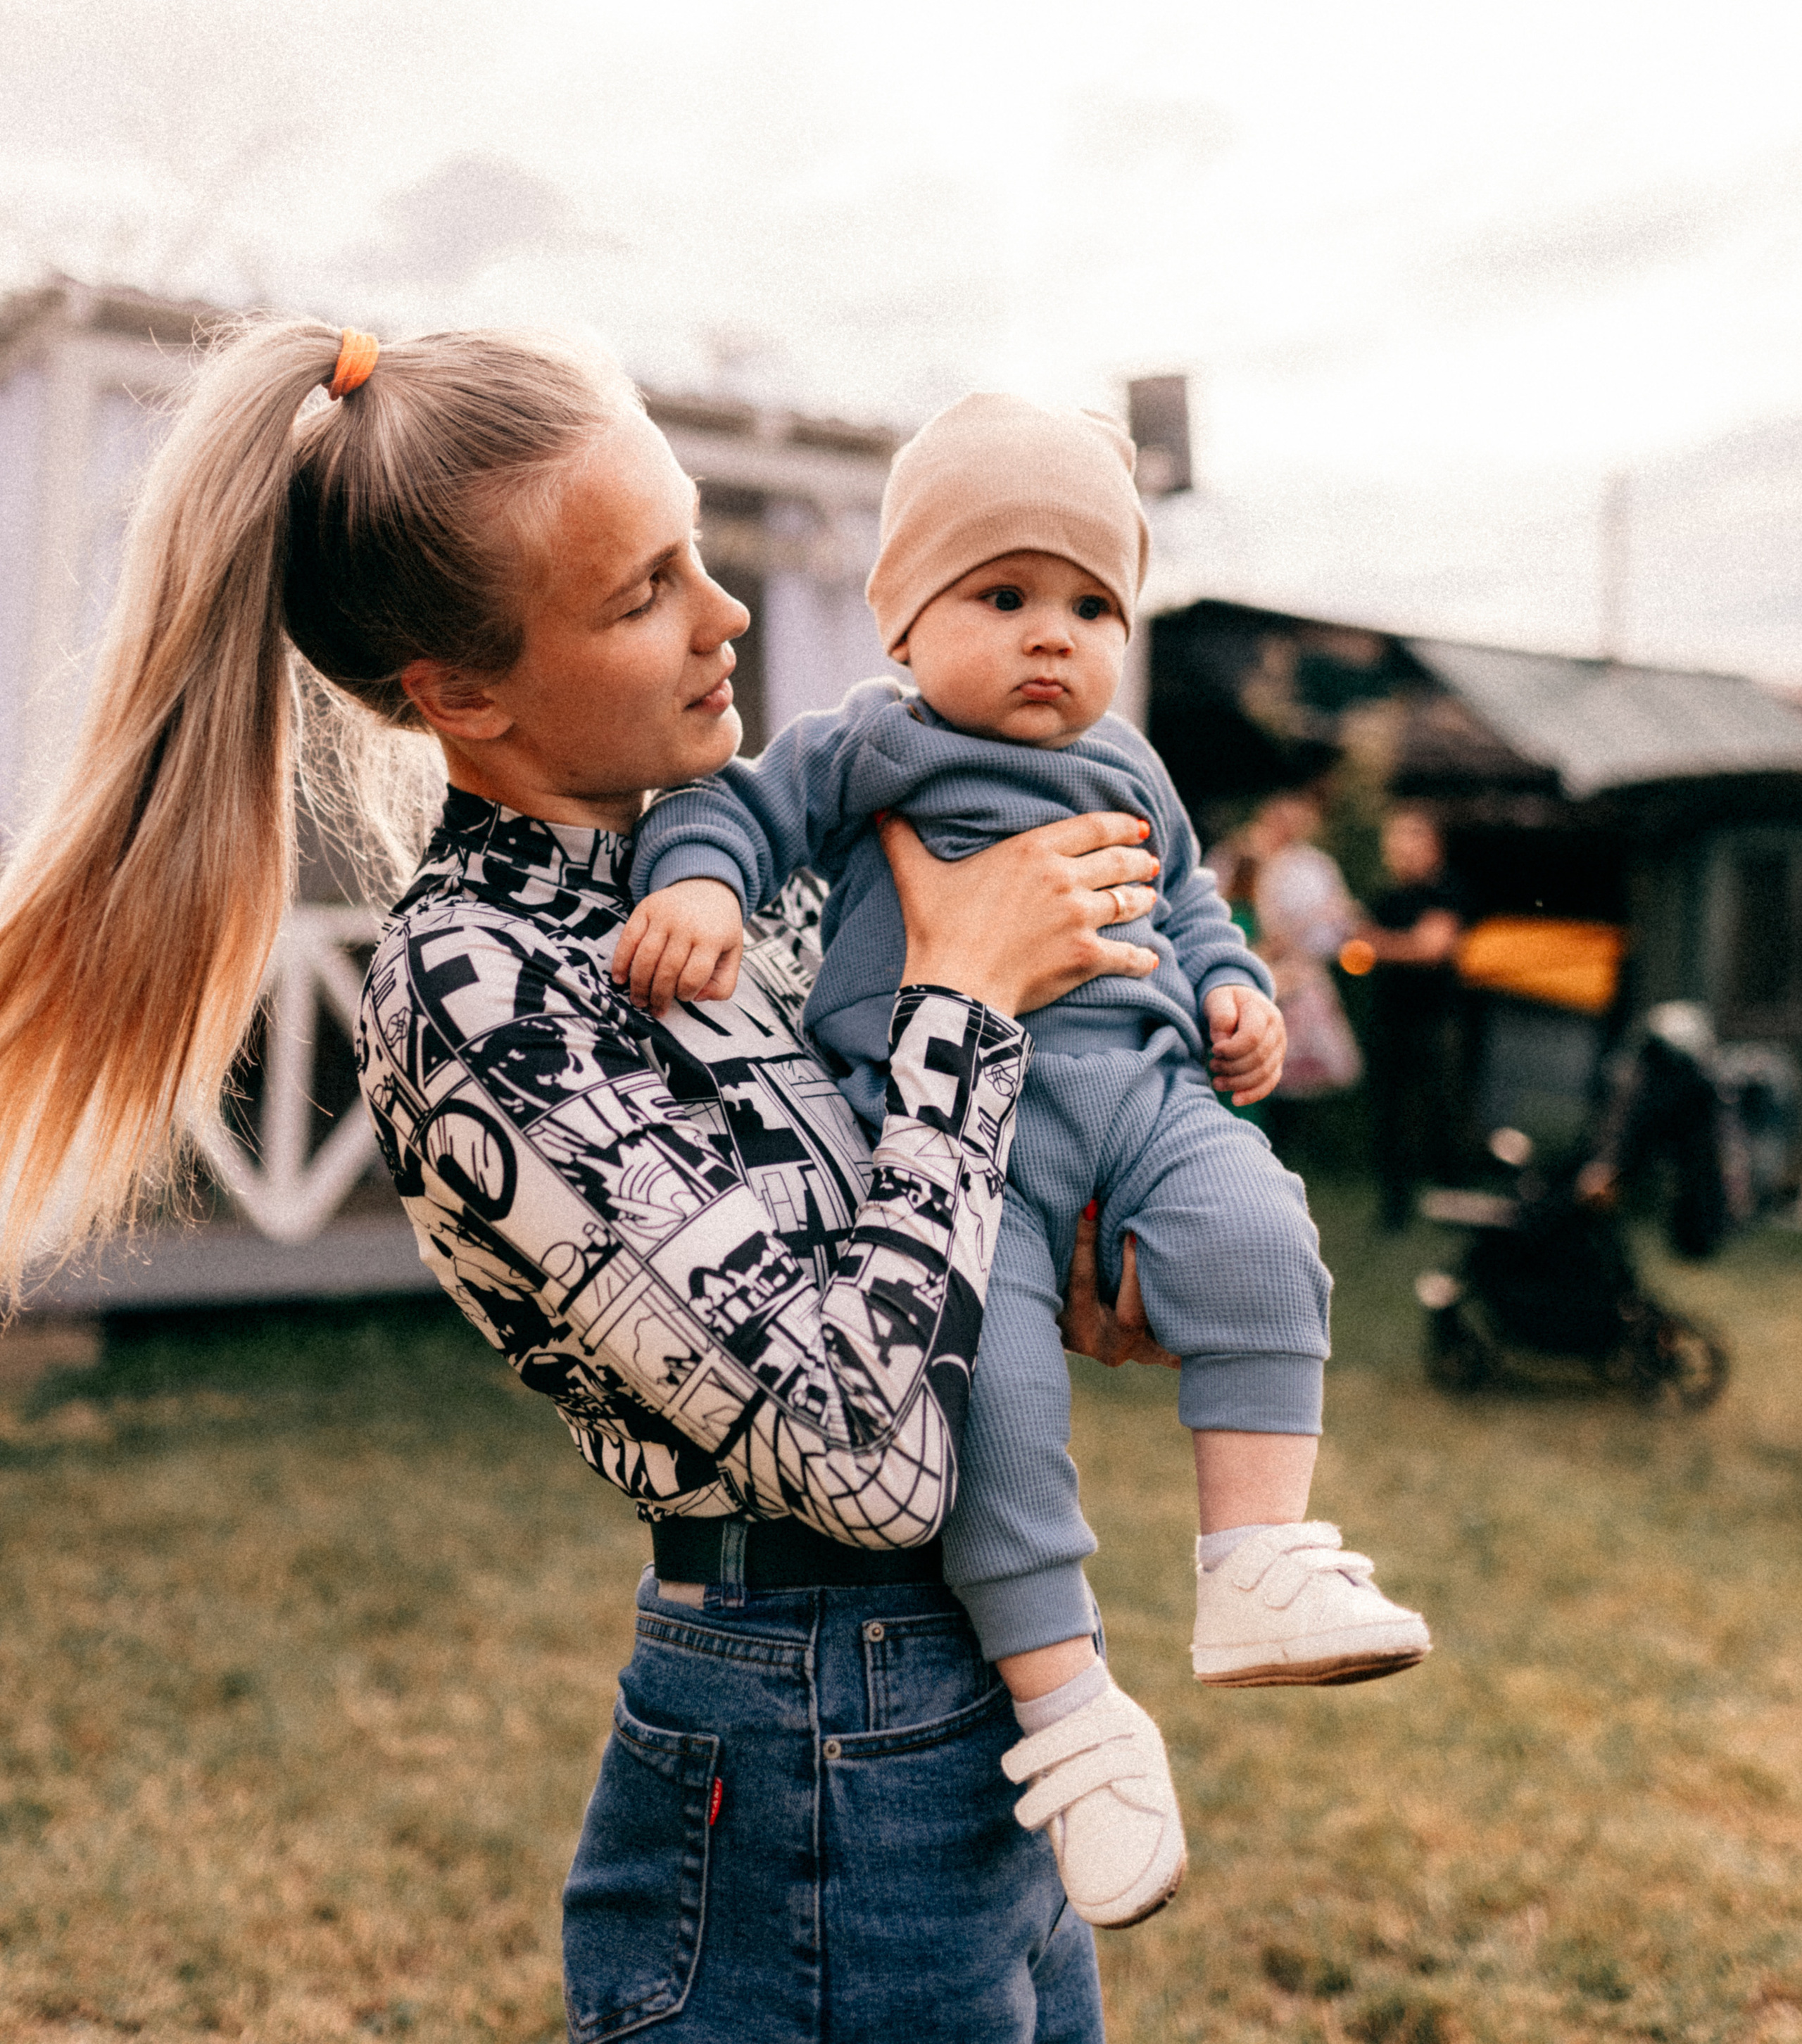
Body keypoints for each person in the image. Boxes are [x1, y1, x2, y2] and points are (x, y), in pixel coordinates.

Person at [0, 321, 1188, 2043]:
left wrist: (1083, 1269)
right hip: (807, 1747)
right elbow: (854, 1459)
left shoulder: (731, 874)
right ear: (460, 694)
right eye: (641, 591)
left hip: (973, 1698)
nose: (721, 614)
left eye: (697, 545)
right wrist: (961, 1000)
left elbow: (896, 1273)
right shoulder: (476, 986)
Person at [622, 393, 1431, 1917]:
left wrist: (1233, 991)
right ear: (905, 622)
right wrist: (709, 896)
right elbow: (728, 813)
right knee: (983, 1403)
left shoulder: (1130, 760)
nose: (1050, 636)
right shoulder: (872, 740)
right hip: (954, 1137)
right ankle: (1069, 1713)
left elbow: (1190, 903)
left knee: (1264, 1235)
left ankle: (1254, 1555)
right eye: (1002, 597)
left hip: (1138, 1100)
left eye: (1088, 603)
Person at [1361, 807, 1469, 1232]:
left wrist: (1376, 943)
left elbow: (1432, 950)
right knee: (1389, 1114)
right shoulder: (1386, 897)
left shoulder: (1448, 891)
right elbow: (1357, 950)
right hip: (1390, 1018)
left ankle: (1455, 1203)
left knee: (1442, 1110)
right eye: (1396, 839)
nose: (1401, 849)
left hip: (1437, 1020)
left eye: (1411, 838)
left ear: (1432, 845)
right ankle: (1394, 1209)